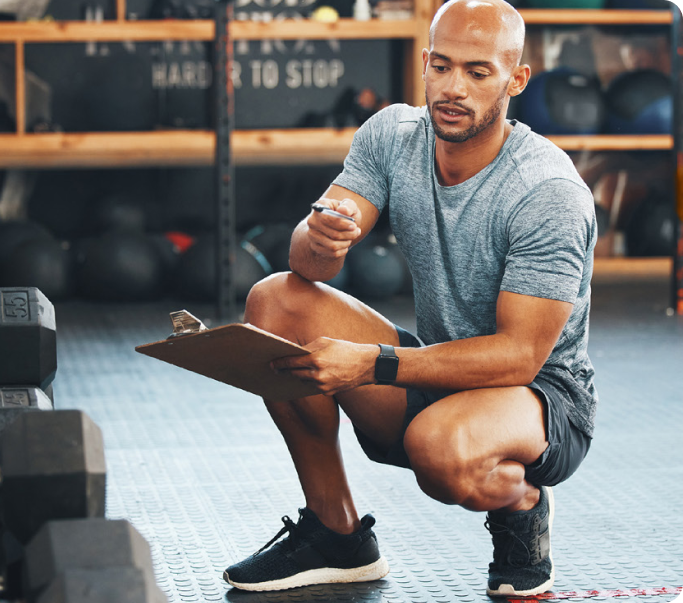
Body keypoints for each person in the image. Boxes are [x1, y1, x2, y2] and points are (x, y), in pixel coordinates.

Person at [222, 0, 597, 597]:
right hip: (438, 371)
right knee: (276, 302)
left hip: (541, 397)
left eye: (478, 73)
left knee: (438, 448)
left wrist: (372, 364)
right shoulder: (393, 135)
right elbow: (306, 263)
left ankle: (521, 501)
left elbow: (519, 355)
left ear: (515, 79)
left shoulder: (546, 191)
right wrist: (322, 236)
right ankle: (336, 533)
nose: (453, 88)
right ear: (423, 62)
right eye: (441, 66)